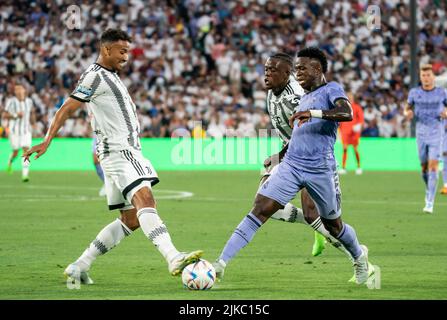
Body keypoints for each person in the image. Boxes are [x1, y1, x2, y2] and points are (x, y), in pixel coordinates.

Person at [24, 29, 202, 285]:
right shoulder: (95, 76)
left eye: (127, 51)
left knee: (130, 219)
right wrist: (48, 140)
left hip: (118, 152)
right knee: (146, 199)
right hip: (121, 151)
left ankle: (80, 265)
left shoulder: (110, 76)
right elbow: (67, 107)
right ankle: (173, 256)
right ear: (106, 50)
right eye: (122, 51)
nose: (126, 57)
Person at [213, 47, 374, 285]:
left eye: (301, 68)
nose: (297, 73)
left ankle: (360, 258)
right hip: (292, 165)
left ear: (317, 69)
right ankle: (220, 264)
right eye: (296, 68)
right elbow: (295, 137)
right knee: (260, 208)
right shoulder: (301, 97)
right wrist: (278, 156)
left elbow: (346, 112)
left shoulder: (330, 90)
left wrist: (314, 113)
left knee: (334, 225)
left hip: (320, 168)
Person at [262, 52, 353, 259]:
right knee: (267, 206)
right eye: (266, 70)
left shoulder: (296, 95)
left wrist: (282, 154)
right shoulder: (272, 91)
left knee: (314, 214)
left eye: (272, 70)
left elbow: (309, 126)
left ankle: (354, 253)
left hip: (308, 157)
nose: (267, 74)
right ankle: (316, 226)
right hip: (289, 152)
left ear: (286, 73)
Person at [404, 64, 447, 213]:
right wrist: (408, 114)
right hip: (421, 132)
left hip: (437, 132)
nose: (426, 78)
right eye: (423, 75)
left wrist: (446, 112)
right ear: (421, 77)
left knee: (433, 167)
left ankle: (430, 201)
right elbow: (407, 108)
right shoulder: (414, 92)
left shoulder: (441, 92)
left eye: (429, 75)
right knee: (424, 169)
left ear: (433, 77)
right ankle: (428, 189)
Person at [4, 83, 34, 182]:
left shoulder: (29, 101)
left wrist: (33, 124)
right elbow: (5, 115)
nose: (19, 91)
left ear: (24, 90)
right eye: (16, 90)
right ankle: (10, 161)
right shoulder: (11, 102)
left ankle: (25, 174)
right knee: (16, 152)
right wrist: (16, 115)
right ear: (15, 92)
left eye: (20, 89)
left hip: (26, 131)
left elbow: (32, 112)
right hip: (14, 131)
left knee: (26, 151)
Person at [338, 91, 364, 175]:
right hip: (345, 132)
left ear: (353, 98)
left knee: (355, 149)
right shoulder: (343, 107)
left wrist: (358, 126)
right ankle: (344, 167)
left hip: (354, 133)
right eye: (348, 96)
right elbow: (340, 121)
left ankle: (359, 167)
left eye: (350, 96)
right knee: (345, 149)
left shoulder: (357, 107)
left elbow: (361, 119)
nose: (349, 98)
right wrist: (339, 132)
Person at [441, 115, 447, 194]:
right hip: (445, 137)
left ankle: (446, 185)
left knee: (445, 162)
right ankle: (446, 185)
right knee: (445, 162)